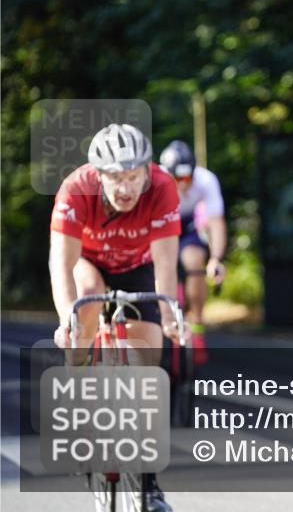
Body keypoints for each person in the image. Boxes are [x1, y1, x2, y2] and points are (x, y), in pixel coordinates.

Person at [50, 123, 179, 512]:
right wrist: (66, 323)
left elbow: (166, 264)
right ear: (97, 175)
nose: (125, 188)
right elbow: (62, 263)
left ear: (147, 170)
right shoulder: (75, 190)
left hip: (137, 266)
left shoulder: (163, 187)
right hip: (88, 263)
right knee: (86, 300)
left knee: (150, 363)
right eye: (115, 178)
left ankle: (149, 485)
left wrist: (170, 313)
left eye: (133, 177)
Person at [158, 140, 226, 366]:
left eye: (186, 179)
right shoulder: (153, 182)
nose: (181, 185)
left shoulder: (206, 180)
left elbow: (216, 223)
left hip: (186, 226)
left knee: (195, 260)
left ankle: (196, 325)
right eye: (174, 179)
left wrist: (216, 258)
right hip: (159, 226)